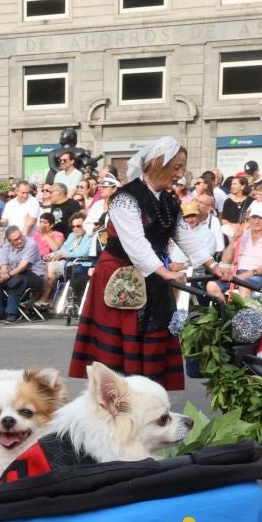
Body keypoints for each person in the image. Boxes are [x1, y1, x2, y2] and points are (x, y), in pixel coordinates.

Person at [69, 136, 190, 391]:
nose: (181, 174)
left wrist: (212, 264)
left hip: (152, 276)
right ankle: (115, 403)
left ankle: (147, 399)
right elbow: (135, 244)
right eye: (176, 167)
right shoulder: (126, 198)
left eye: (182, 167)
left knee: (151, 340)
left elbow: (185, 236)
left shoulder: (168, 201)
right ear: (158, 165)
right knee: (119, 356)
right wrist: (163, 272)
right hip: (119, 275)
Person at [0, 224, 45, 323]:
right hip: (14, 275)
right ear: (10, 241)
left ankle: (12, 313)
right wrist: (0, 276)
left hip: (34, 276)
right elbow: (4, 266)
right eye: (15, 240)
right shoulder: (6, 247)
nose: (20, 240)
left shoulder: (31, 244)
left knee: (17, 280)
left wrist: (7, 276)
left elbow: (23, 267)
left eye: (20, 236)